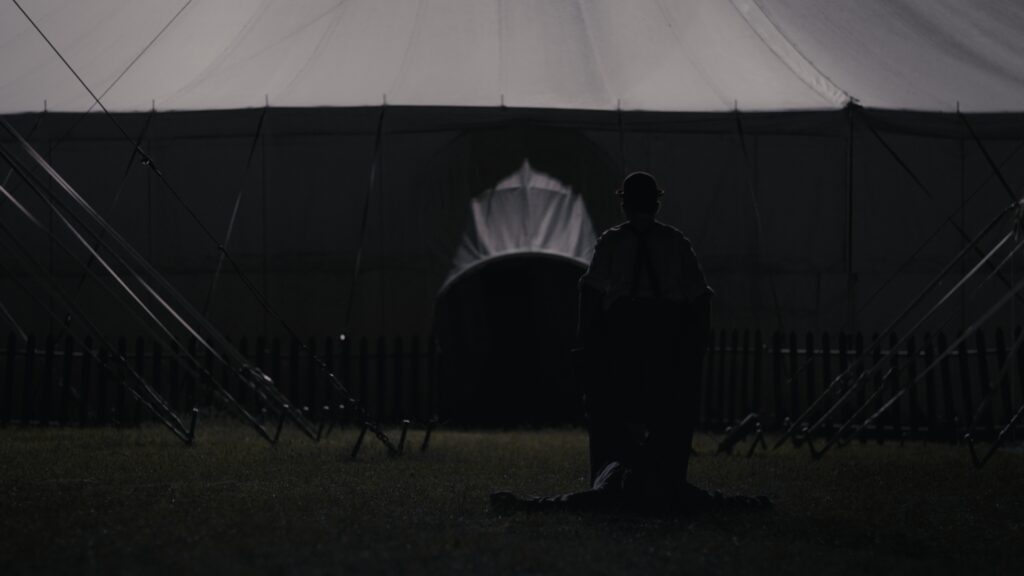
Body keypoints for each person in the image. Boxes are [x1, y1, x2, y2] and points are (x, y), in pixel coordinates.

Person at [491, 171, 767, 514]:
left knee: (609, 413)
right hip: (665, 336)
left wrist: (586, 342)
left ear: (625, 204)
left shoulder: (612, 242)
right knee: (669, 413)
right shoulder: (675, 242)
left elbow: (591, 293)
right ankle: (667, 479)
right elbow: (700, 297)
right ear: (656, 204)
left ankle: (609, 477)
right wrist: (695, 346)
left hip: (623, 335)